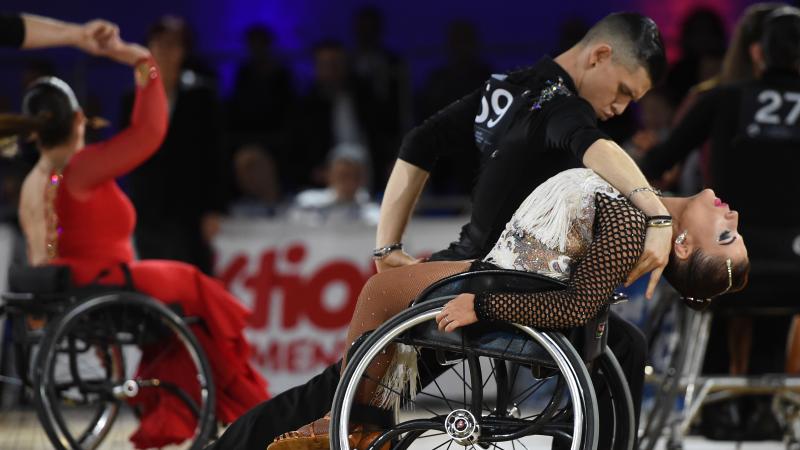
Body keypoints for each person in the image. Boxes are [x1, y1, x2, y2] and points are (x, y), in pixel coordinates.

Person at [208, 12, 673, 450]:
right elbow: (595, 148)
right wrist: (657, 215)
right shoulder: (560, 105)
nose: (621, 106)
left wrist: (387, 246)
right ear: (600, 56)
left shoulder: (506, 88)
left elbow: (419, 143)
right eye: (625, 91)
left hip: (465, 267)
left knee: (339, 390)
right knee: (623, 345)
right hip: (488, 276)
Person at [271, 166, 749, 449]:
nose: (734, 214)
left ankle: (350, 424)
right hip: (502, 265)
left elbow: (579, 305)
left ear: (682, 246)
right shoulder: (643, 204)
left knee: (380, 291)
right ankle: (358, 420)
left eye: (726, 235)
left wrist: (485, 305)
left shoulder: (630, 223)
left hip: (501, 280)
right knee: (392, 290)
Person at [1, 35, 268, 447]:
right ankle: (244, 410)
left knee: (191, 304)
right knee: (198, 289)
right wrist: (143, 61)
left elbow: (43, 254)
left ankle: (187, 412)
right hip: (107, 282)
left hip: (76, 286)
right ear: (77, 120)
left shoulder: (35, 180)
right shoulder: (79, 168)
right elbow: (150, 131)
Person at [121, 16, 227, 275]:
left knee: (191, 281)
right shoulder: (133, 98)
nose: (165, 52)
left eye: (173, 45)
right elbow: (125, 155)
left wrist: (214, 208)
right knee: (153, 280)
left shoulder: (201, 96)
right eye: (159, 45)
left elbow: (215, 154)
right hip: (149, 209)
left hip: (190, 209)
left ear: (184, 51)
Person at [288, 143, 380, 226]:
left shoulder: (374, 214)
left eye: (356, 176)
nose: (349, 182)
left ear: (363, 178)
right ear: (328, 175)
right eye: (343, 176)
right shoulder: (307, 202)